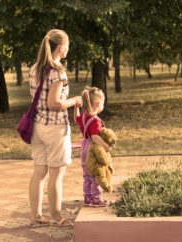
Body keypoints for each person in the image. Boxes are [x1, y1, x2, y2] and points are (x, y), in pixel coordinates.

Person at [28, 29, 82, 227]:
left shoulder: (34, 68)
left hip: (37, 126)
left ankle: (36, 216)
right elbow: (54, 103)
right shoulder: (58, 72)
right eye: (67, 45)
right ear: (60, 48)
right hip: (55, 128)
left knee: (39, 172)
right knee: (56, 174)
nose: (68, 49)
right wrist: (74, 100)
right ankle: (57, 216)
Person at [74, 86, 111, 207]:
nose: (103, 105)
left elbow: (76, 118)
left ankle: (87, 197)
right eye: (102, 103)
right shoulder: (95, 120)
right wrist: (105, 146)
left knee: (87, 174)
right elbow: (95, 137)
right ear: (96, 104)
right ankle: (96, 198)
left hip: (84, 146)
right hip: (92, 148)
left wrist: (76, 108)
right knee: (96, 173)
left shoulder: (84, 116)